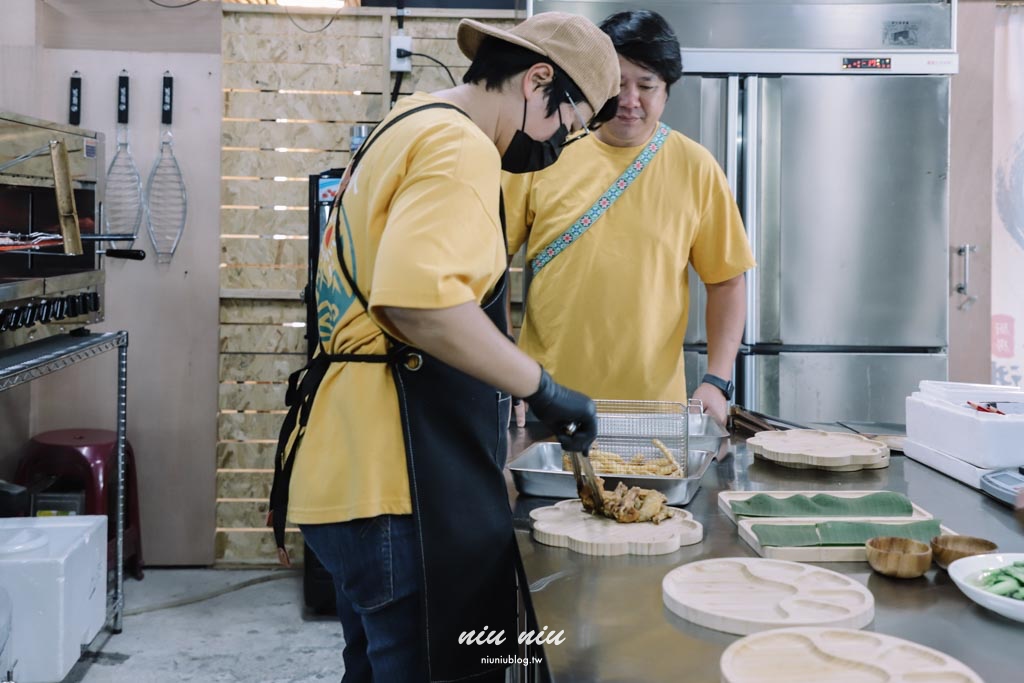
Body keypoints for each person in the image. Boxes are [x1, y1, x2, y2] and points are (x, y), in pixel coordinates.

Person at [266, 13, 620, 683]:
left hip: (347, 467)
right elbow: (418, 303)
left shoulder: (408, 123)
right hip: (396, 481)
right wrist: (540, 386)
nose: (559, 144)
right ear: (537, 79)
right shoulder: (459, 147)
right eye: (567, 123)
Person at [503, 9, 756, 428]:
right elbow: (487, 263)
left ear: (667, 91)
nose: (629, 100)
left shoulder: (695, 167)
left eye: (646, 85)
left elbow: (727, 281)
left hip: (654, 412)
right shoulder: (546, 149)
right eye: (618, 84)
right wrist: (504, 369)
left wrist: (717, 380)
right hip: (547, 402)